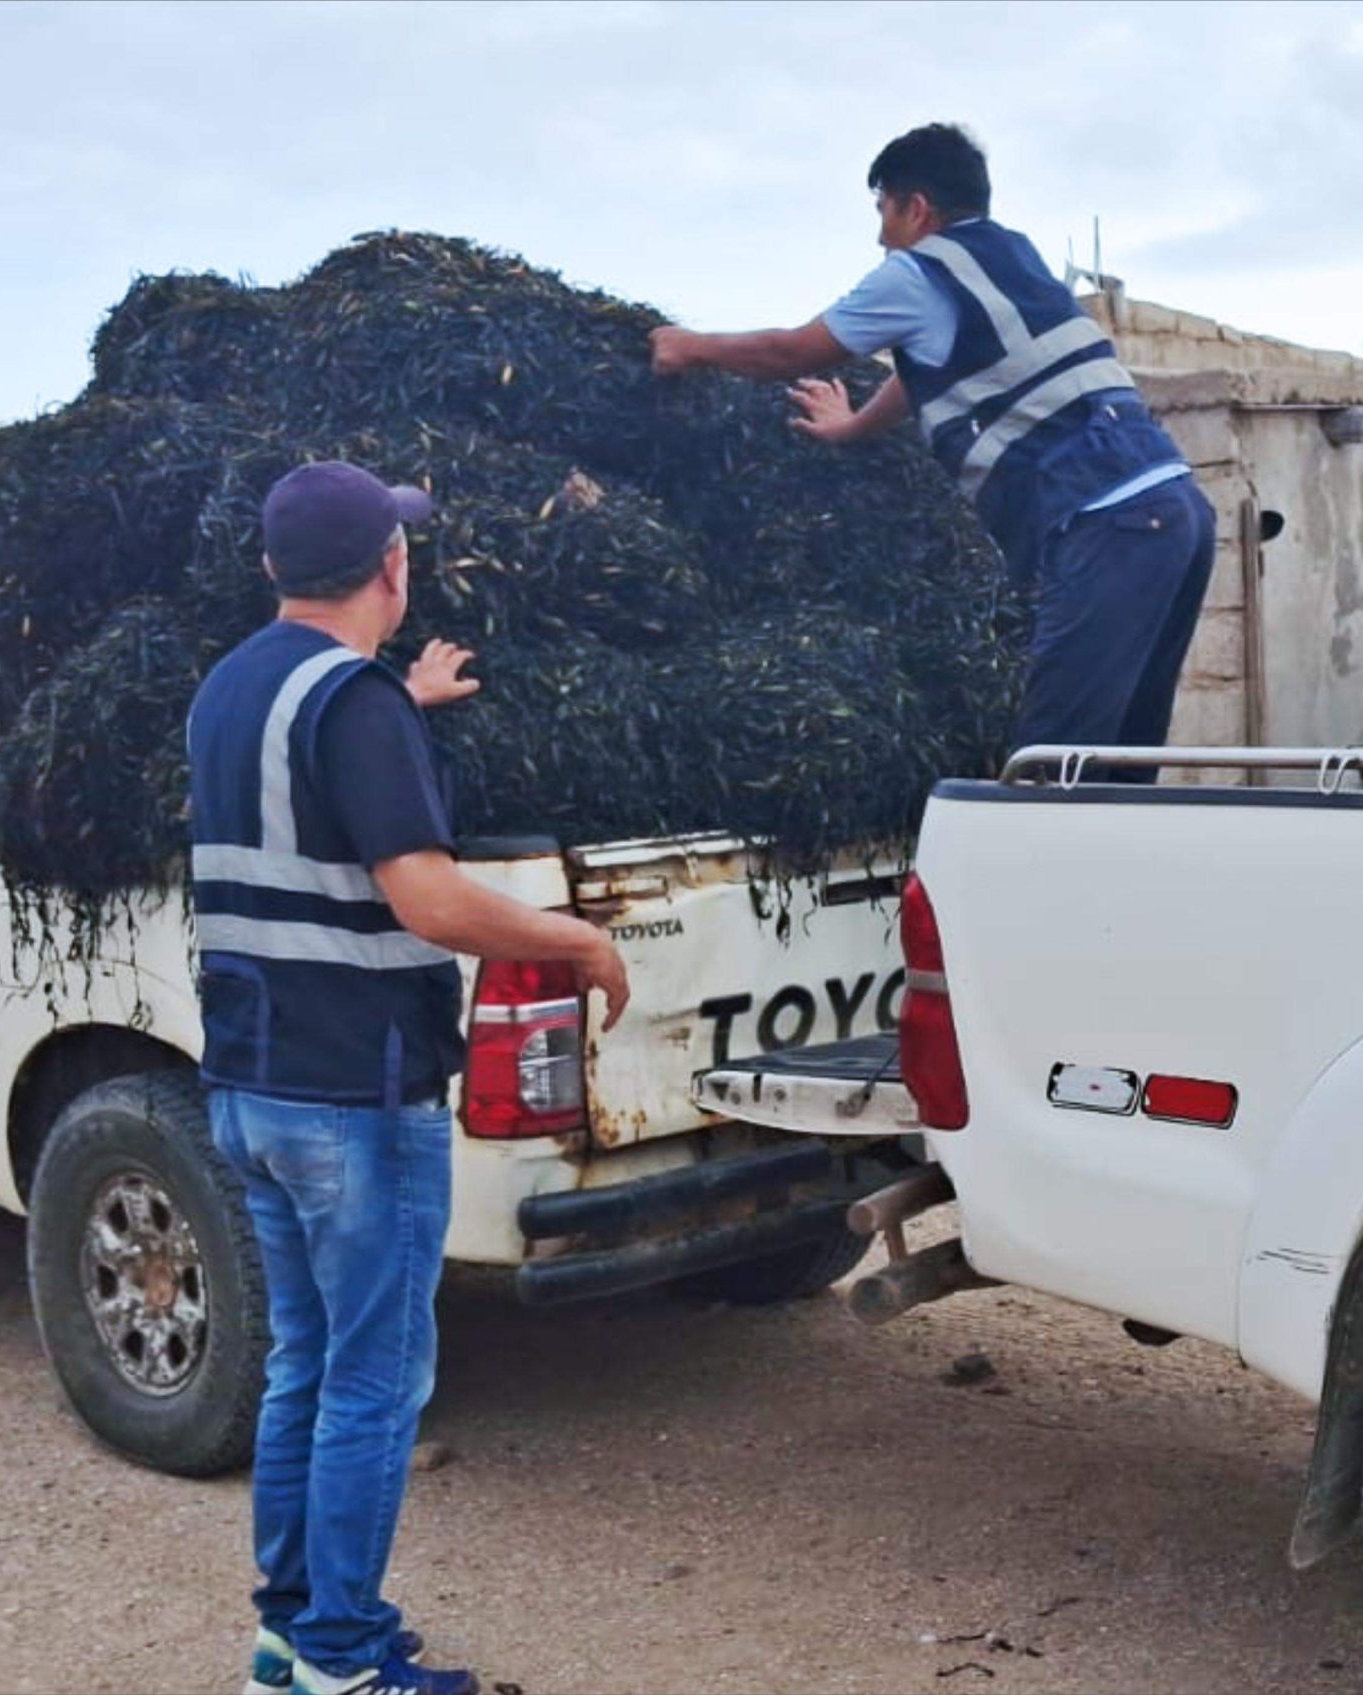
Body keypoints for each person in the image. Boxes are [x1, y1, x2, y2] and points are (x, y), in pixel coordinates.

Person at [188, 461, 630, 1695]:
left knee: (303, 1365)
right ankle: (340, 1660)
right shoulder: (354, 703)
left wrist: (407, 706)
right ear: (391, 567)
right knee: (376, 1382)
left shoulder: (236, 689)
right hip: (355, 1095)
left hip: (251, 1081)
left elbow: (308, 804)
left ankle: (288, 1632)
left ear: (276, 569)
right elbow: (426, 900)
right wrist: (576, 940)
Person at [650, 123, 1216, 772]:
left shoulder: (916, 273)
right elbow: (933, 367)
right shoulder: (1011, 257)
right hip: (1177, 513)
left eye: (883, 211)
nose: (880, 235)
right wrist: (854, 424)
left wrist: (688, 346)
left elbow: (793, 350)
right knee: (1121, 761)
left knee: (1049, 768)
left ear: (915, 207)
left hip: (1105, 521)